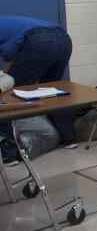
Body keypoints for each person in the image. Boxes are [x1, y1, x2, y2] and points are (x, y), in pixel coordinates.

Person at [0, 16, 74, 144]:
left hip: (39, 39)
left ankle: (9, 152)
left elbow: (8, 56)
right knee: (51, 91)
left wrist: (6, 81)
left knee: (8, 95)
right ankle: (68, 138)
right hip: (63, 38)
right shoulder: (8, 23)